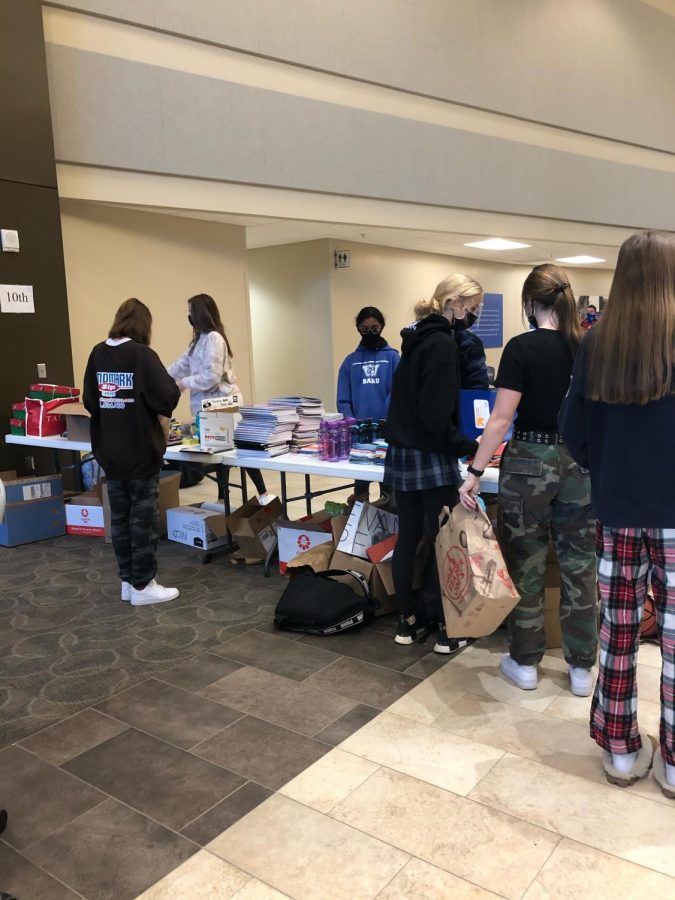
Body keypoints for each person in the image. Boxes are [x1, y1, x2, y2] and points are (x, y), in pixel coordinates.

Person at [560, 230, 675, 798]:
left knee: (619, 631)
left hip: (616, 509)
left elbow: (572, 431)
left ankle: (621, 751)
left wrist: (605, 468)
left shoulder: (596, 341)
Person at [460, 264, 597, 696]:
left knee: (526, 564)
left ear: (529, 303)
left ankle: (525, 664)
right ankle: (580, 669)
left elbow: (500, 421)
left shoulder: (520, 348)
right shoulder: (589, 347)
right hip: (580, 462)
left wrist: (475, 471)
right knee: (580, 566)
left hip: (528, 463)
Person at [384, 274, 480, 653]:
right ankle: (447, 628)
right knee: (445, 542)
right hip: (430, 452)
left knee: (408, 538)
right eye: (474, 308)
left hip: (403, 452)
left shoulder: (416, 338)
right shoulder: (442, 344)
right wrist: (467, 445)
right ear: (455, 304)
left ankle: (407, 623)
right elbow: (435, 413)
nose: (475, 314)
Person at [83, 298, 181, 606]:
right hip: (140, 452)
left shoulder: (98, 353)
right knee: (143, 521)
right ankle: (143, 585)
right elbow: (167, 396)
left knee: (120, 520)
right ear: (144, 326)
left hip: (110, 453)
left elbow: (89, 400)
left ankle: (127, 581)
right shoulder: (142, 356)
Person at [168, 293, 271, 503]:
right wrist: (159, 376)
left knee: (236, 451)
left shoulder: (214, 338)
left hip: (223, 405)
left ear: (199, 314)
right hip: (208, 409)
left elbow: (211, 377)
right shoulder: (198, 341)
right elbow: (180, 366)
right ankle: (223, 497)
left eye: (190, 312)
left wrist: (183, 383)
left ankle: (263, 493)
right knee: (219, 453)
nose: (189, 317)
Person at [337, 306, 400, 503]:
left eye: (375, 328)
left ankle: (389, 518)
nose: (370, 333)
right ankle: (360, 520)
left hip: (386, 430)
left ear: (382, 327)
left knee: (387, 483)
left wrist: (385, 420)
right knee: (361, 484)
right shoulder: (350, 361)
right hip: (359, 432)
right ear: (358, 329)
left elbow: (397, 392)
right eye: (364, 329)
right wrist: (351, 422)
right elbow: (343, 397)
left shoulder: (392, 357)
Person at [453, 296, 490, 389]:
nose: (474, 315)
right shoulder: (470, 343)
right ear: (455, 304)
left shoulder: (471, 343)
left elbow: (478, 386)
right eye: (472, 308)